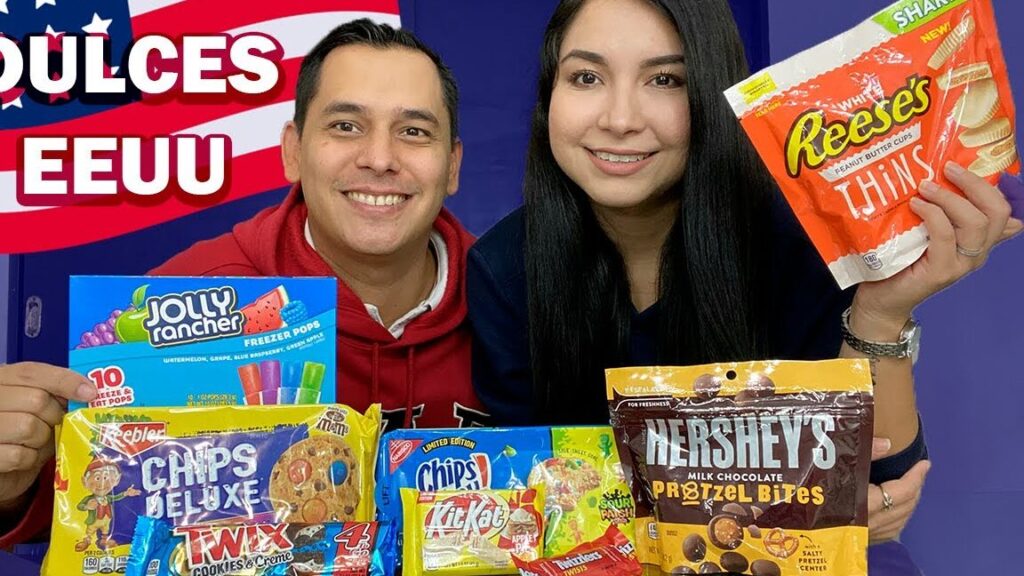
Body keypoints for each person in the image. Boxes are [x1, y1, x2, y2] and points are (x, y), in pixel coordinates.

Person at [466, 0, 1023, 545]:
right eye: (586, 77)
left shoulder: (800, 244)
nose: (619, 120)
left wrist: (881, 312)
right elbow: (528, 508)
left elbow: (879, 493)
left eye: (665, 80)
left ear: (714, 94)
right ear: (549, 96)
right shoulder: (505, 268)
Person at [0, 19, 488, 547]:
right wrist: (13, 484)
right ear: (293, 151)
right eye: (346, 125)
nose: (380, 159)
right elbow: (89, 509)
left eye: (413, 131)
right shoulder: (188, 290)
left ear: (452, 165)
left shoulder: (519, 295)